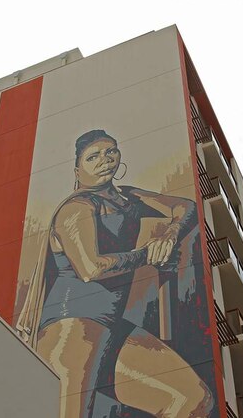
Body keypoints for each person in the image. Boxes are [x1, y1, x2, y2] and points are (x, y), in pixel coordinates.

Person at [16, 130, 214, 418]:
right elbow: (91, 268)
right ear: (77, 169)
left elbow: (186, 207)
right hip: (72, 326)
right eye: (93, 157)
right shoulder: (77, 207)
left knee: (192, 399)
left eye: (111, 152)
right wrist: (148, 254)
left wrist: (170, 235)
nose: (104, 161)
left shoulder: (128, 197)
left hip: (112, 325)